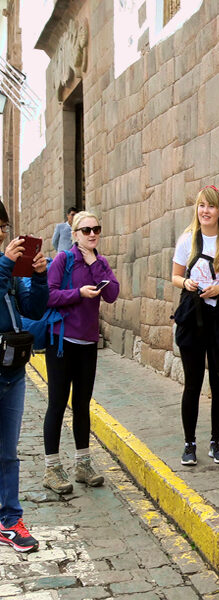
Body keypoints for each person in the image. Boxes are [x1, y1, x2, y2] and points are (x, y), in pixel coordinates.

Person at [42, 211, 119, 494]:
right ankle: (52, 468)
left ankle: (83, 465)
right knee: (58, 403)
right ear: (74, 234)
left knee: (83, 404)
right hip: (61, 342)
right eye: (85, 230)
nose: (91, 234)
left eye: (95, 229)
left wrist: (94, 264)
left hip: (88, 344)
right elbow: (47, 296)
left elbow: (112, 294)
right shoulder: (63, 260)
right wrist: (78, 293)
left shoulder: (100, 262)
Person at [171, 185, 219, 465]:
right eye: (202, 205)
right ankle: (189, 444)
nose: (205, 211)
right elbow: (175, 276)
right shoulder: (188, 239)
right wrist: (186, 282)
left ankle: (216, 442)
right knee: (192, 383)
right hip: (193, 318)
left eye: (211, 206)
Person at [0, 201, 48, 552]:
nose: (2, 233)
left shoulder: (9, 268)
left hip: (13, 369)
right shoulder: (3, 265)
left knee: (8, 452)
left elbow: (32, 309)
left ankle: (9, 520)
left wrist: (38, 276)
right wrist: (4, 264)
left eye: (3, 226)